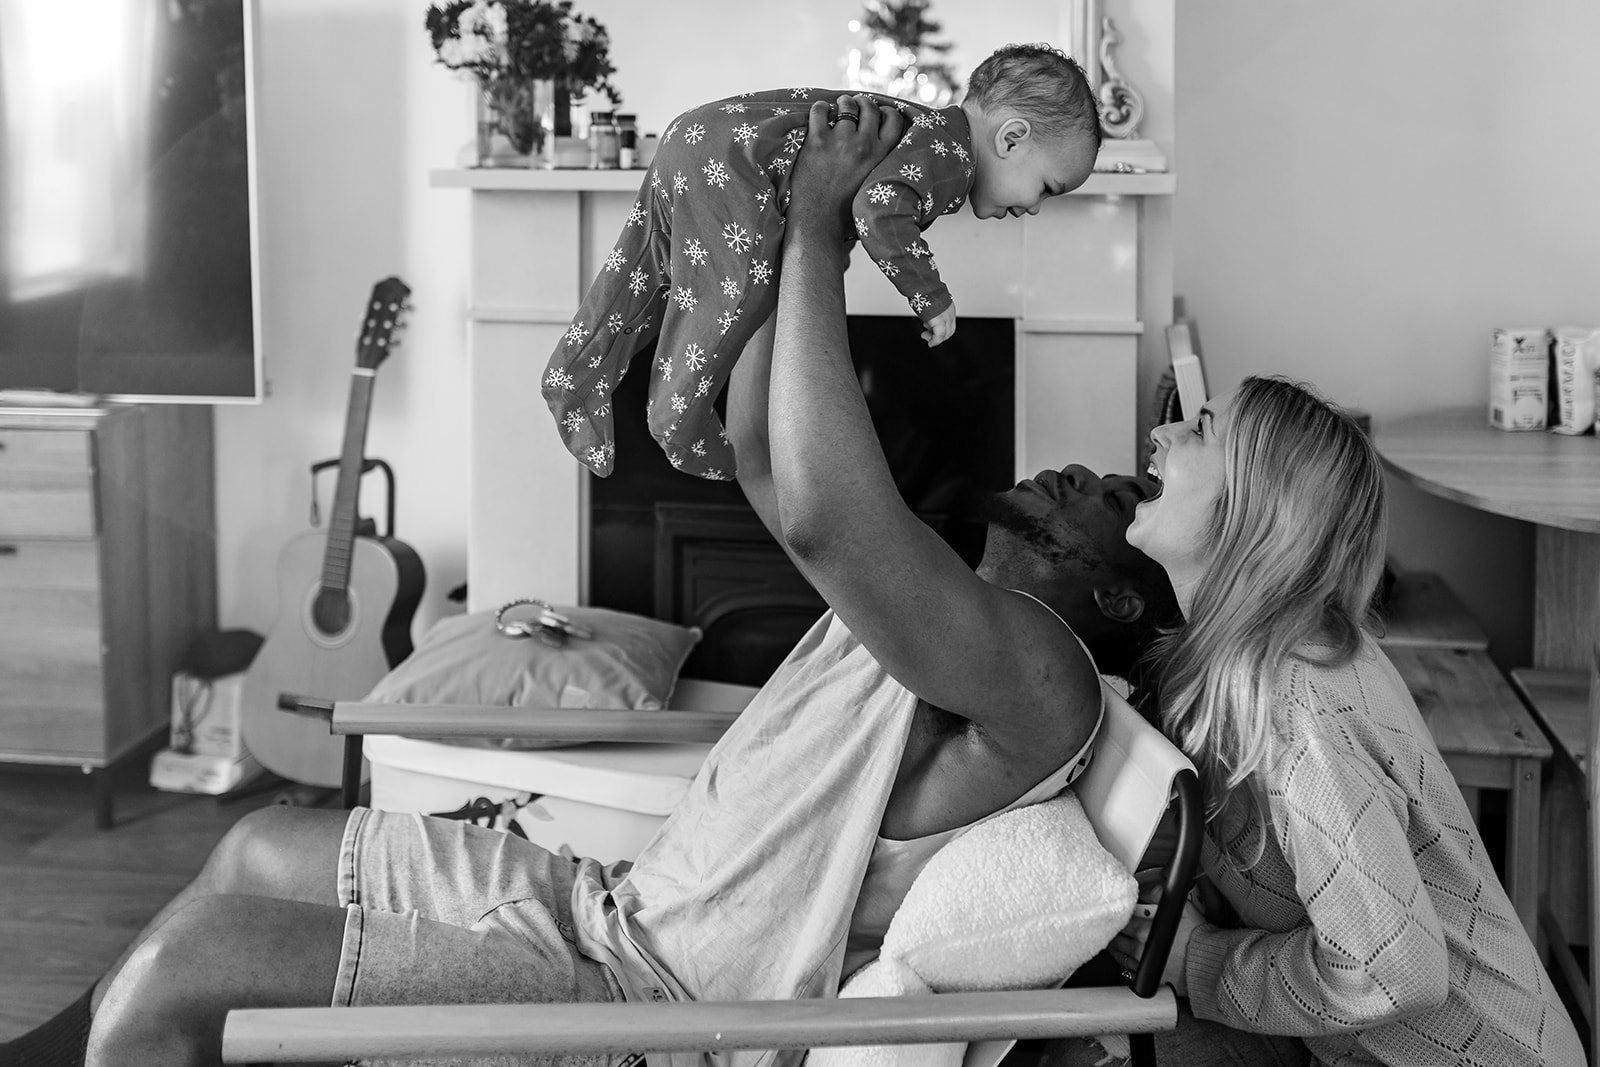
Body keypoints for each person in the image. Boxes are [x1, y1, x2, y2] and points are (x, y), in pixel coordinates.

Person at [7, 95, 1176, 1067]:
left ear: (1117, 595)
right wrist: (773, 231)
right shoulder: (926, 600)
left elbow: (823, 512)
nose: (1088, 471)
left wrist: (824, 234)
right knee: (261, 841)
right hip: (608, 902)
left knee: (183, 964)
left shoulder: (1037, 670)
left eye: (1119, 498)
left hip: (647, 996)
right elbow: (769, 456)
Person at [1020, 378, 1585, 1066]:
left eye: (1198, 429)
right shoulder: (1238, 660)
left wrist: (1198, 959)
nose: (1161, 437)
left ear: (1256, 507)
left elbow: (1390, 971)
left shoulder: (1295, 707)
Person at [541, 42, 1101, 481]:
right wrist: (932, 297)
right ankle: (674, 417)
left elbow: (860, 201)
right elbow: (879, 210)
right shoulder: (950, 157)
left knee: (644, 266)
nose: (1033, 207)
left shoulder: (929, 132)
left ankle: (573, 376)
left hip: (702, 139)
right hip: (736, 164)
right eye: (1048, 188)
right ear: (1012, 138)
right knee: (737, 296)